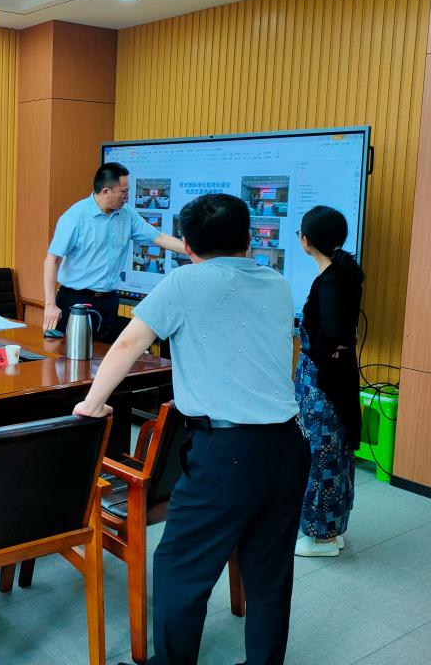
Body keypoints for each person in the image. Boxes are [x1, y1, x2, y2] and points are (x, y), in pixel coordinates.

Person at [73, 193, 309, 665]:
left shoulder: (183, 282)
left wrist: (91, 405)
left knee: (179, 568)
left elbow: (128, 343)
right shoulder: (277, 282)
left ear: (186, 245)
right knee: (269, 573)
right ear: (248, 239)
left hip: (228, 454)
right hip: (287, 445)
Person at [43, 162, 185, 342]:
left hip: (109, 302)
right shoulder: (75, 217)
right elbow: (52, 259)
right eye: (124, 192)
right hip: (75, 301)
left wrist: (193, 251)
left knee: (106, 355)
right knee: (71, 355)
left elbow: (159, 238)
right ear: (106, 192)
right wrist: (50, 305)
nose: (128, 196)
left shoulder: (127, 214)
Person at [294, 206, 364, 557]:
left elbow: (333, 331)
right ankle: (331, 531)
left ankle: (320, 537)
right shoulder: (343, 270)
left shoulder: (331, 280)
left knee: (319, 454)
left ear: (307, 241)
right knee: (334, 454)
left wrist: (320, 354)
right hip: (336, 379)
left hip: (323, 383)